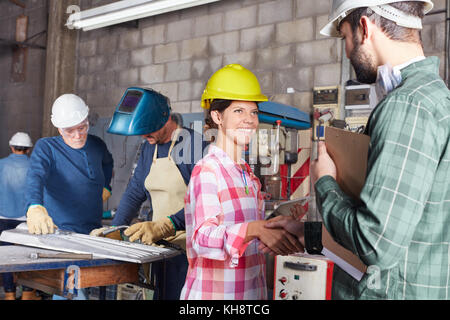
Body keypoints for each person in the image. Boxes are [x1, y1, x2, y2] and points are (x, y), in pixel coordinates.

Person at [306, 0, 449, 299]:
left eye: (345, 37)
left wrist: (325, 182)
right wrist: (309, 232)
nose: (346, 52)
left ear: (364, 28)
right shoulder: (437, 98)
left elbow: (376, 243)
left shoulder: (407, 105)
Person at [180, 64, 304, 300]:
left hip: (250, 293)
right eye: (238, 111)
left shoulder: (247, 175)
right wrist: (253, 229)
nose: (249, 120)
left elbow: (243, 239)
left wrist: (273, 228)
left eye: (254, 112)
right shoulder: (208, 170)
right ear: (217, 116)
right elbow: (202, 240)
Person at [91, 88, 208, 300]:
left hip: (188, 252)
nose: (144, 136)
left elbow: (204, 202)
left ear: (164, 119)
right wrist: (115, 230)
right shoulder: (149, 148)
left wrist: (167, 225)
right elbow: (135, 191)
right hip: (160, 248)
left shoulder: (193, 145)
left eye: (148, 130)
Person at [25, 93, 113, 299]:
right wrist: (34, 205)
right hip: (61, 234)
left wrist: (106, 186)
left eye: (82, 127)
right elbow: (35, 176)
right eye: (69, 130)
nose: (77, 135)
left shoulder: (98, 145)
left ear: (87, 121)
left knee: (88, 285)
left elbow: (108, 163)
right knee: (71, 289)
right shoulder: (47, 148)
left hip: (93, 231)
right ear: (58, 128)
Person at [0, 132, 42, 300]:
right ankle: (27, 293)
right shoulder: (34, 166)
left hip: (2, 218)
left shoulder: (1, 164)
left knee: (6, 257)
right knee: (29, 256)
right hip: (27, 219)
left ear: (11, 147)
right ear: (29, 149)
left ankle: (9, 294)